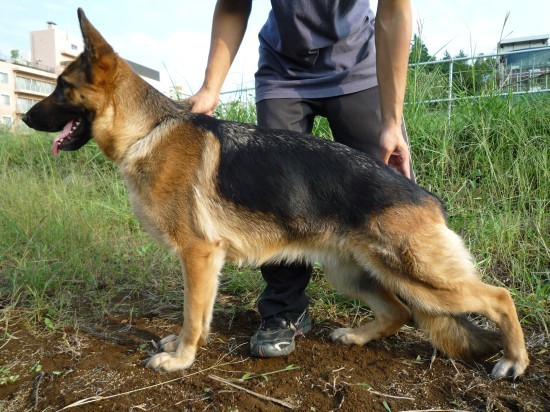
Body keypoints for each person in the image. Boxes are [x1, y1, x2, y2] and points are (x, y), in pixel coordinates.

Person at [188, 0, 414, 358]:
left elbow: (395, 12)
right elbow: (233, 6)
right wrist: (210, 88)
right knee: (275, 195)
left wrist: (391, 119)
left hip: (358, 63)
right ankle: (285, 308)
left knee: (388, 185)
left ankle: (417, 292)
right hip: (284, 71)